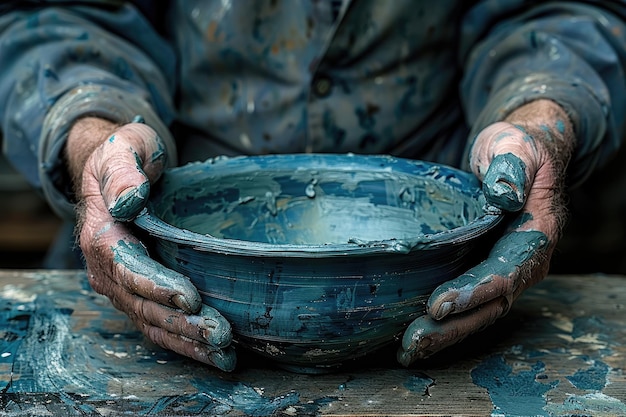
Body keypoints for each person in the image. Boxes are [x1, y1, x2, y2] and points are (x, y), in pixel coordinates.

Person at [0, 0, 624, 372]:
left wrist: (537, 120)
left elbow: (559, 15)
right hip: (165, 243)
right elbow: (56, 18)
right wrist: (94, 135)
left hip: (451, 244)